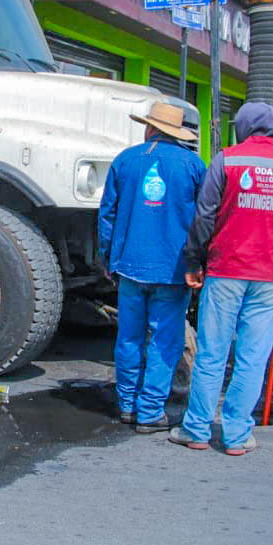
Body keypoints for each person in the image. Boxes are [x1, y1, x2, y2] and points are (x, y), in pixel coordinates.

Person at [169, 102, 273, 455]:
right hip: (271, 276)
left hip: (225, 271)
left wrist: (194, 259)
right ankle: (236, 434)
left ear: (244, 127)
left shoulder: (226, 160)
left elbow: (204, 215)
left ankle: (197, 429)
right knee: (253, 356)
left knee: (212, 354)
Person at [98, 101, 205, 434]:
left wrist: (107, 258)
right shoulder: (194, 165)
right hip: (173, 270)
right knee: (164, 340)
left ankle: (127, 405)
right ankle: (150, 412)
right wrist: (198, 263)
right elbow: (204, 221)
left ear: (149, 128)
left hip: (130, 266)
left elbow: (107, 216)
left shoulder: (125, 160)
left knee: (128, 336)